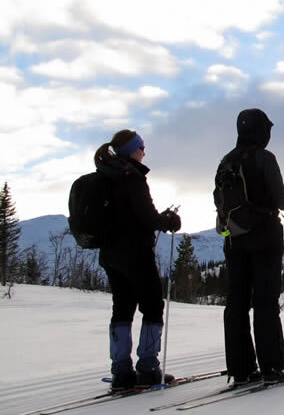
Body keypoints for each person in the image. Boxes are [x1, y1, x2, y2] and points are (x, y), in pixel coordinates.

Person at [94, 130, 182, 390]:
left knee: (121, 307)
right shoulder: (132, 177)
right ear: (132, 150)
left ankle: (121, 370)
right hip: (135, 251)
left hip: (110, 253)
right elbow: (148, 216)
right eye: (141, 147)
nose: (144, 152)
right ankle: (147, 367)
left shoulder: (105, 174)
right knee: (153, 306)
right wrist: (167, 221)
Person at [217, 108, 284, 386]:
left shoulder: (226, 161)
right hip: (263, 234)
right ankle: (272, 366)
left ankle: (241, 368)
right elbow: (281, 199)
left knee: (236, 301)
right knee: (265, 300)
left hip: (233, 237)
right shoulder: (264, 158)